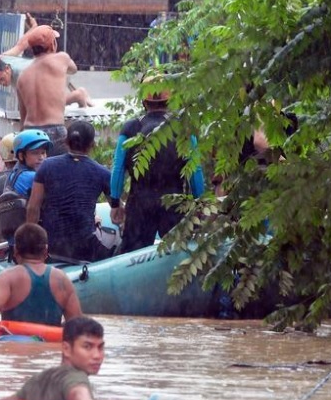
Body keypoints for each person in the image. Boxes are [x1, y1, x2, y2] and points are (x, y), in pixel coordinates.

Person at [109, 78, 205, 255]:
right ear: (170, 100)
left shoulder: (131, 128)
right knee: (178, 256)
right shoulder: (183, 128)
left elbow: (118, 168)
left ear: (144, 101)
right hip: (174, 204)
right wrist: (201, 203)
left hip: (139, 204)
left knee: (132, 258)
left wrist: (115, 203)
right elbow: (195, 170)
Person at [0, 223, 82, 327]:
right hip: (50, 350)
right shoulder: (62, 279)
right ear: (45, 251)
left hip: (15, 346)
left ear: (16, 250)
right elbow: (77, 325)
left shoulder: (8, 277)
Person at [27, 121, 115, 263]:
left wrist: (30, 245)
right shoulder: (103, 173)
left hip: (53, 247)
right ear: (92, 145)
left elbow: (33, 208)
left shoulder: (47, 166)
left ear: (66, 141)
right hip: (85, 249)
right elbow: (117, 213)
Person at [14, 25, 81, 156]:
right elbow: (74, 69)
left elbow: (23, 117)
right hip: (54, 129)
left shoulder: (22, 76)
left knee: (35, 175)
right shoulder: (62, 59)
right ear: (53, 44)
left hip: (29, 132)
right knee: (59, 174)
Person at [0, 130, 51, 242]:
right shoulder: (31, 177)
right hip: (27, 239)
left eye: (43, 152)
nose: (41, 157)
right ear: (21, 156)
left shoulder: (14, 173)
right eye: (35, 153)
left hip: (16, 238)